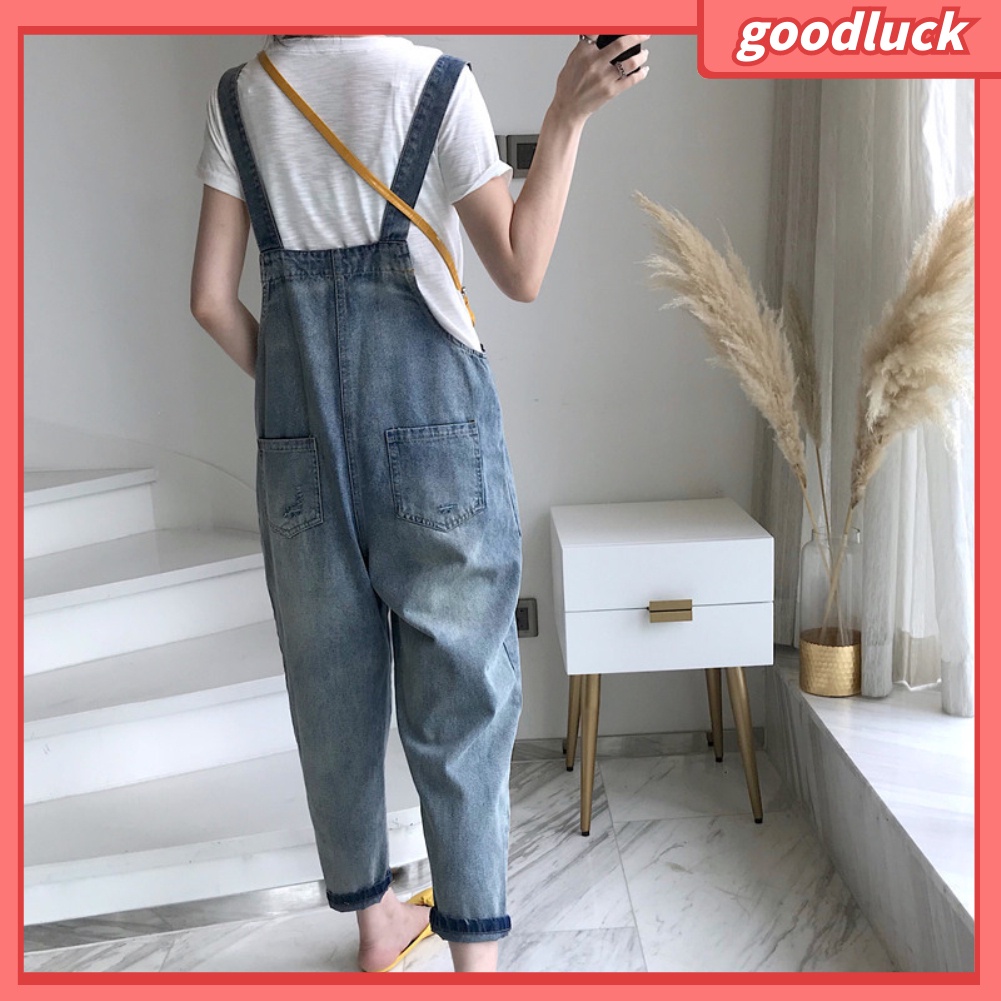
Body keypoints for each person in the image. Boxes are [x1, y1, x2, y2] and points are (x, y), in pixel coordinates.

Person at [190, 32, 649, 974]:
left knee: (330, 689)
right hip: (433, 435)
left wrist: (296, 405)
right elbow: (520, 268)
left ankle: (375, 927)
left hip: (298, 445)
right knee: (461, 698)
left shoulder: (241, 97)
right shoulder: (433, 82)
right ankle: (474, 971)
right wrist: (565, 116)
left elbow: (209, 299)